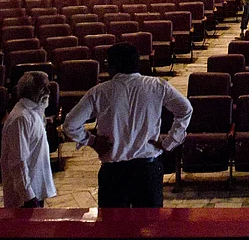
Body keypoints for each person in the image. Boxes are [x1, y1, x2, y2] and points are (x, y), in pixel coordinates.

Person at [62, 42, 192, 208]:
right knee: (149, 226)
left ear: (112, 66)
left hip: (114, 173)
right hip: (147, 169)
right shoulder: (157, 86)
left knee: (114, 229)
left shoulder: (100, 91)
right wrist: (170, 142)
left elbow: (70, 124)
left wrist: (92, 141)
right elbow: (185, 109)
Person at [1, 71, 56, 208]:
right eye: (45, 88)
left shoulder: (34, 112)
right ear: (33, 90)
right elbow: (18, 161)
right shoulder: (21, 118)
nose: (49, 92)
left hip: (35, 187)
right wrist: (28, 196)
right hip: (24, 196)